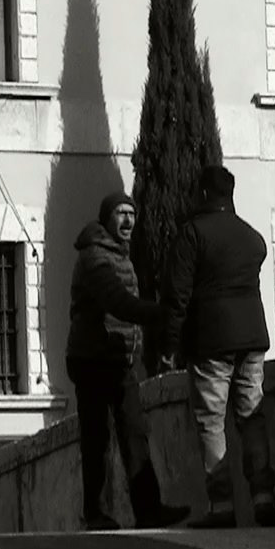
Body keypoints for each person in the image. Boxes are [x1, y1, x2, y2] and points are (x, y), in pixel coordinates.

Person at [160, 165, 275, 530]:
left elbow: (178, 296)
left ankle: (222, 505)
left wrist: (169, 344)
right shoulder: (252, 238)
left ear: (202, 194)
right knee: (251, 418)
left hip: (212, 340)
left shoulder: (193, 234)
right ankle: (263, 498)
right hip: (253, 340)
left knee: (212, 422)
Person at [65, 191, 190, 531]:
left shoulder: (121, 254)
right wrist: (160, 313)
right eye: (120, 213)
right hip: (91, 359)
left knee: (135, 433)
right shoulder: (94, 256)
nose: (127, 220)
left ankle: (148, 510)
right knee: (96, 439)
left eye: (131, 214)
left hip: (120, 359)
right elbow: (117, 301)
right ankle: (95, 513)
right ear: (106, 219)